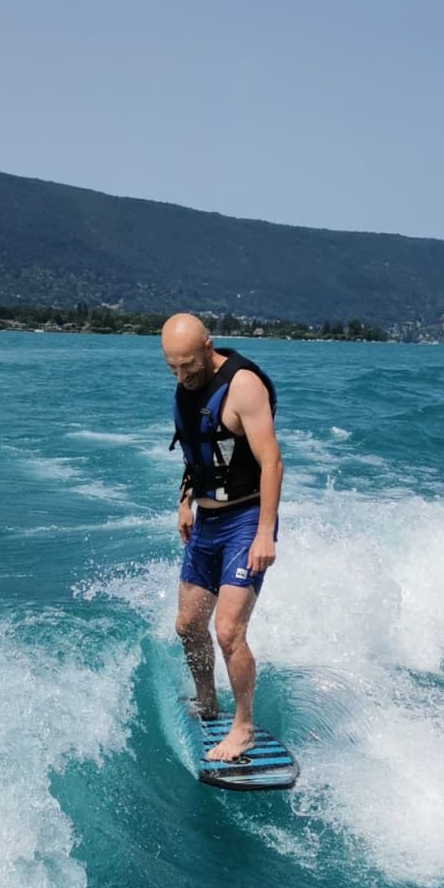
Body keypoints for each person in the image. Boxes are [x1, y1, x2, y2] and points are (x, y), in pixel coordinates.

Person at [162, 313, 283, 761]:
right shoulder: (188, 384)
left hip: (246, 521)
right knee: (188, 625)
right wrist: (185, 501)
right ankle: (206, 700)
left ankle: (244, 726)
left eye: (189, 365)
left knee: (228, 630)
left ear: (208, 347)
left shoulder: (243, 386)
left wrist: (265, 533)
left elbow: (272, 463)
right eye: (173, 368)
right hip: (208, 524)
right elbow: (199, 449)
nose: (182, 375)